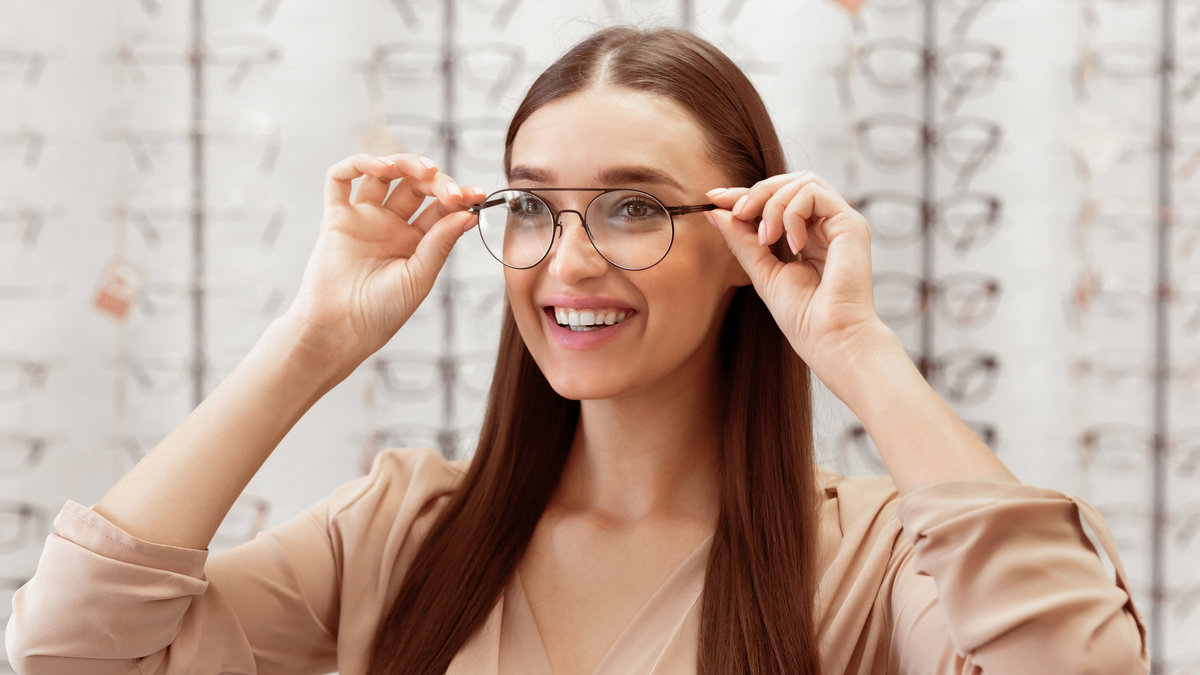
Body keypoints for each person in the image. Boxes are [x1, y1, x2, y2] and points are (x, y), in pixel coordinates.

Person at [5, 26, 1147, 675]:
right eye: (536, 206)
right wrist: (313, 339)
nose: (568, 260)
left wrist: (851, 343)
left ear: (744, 245)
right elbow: (68, 653)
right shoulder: (400, 535)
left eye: (636, 209)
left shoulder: (881, 564)